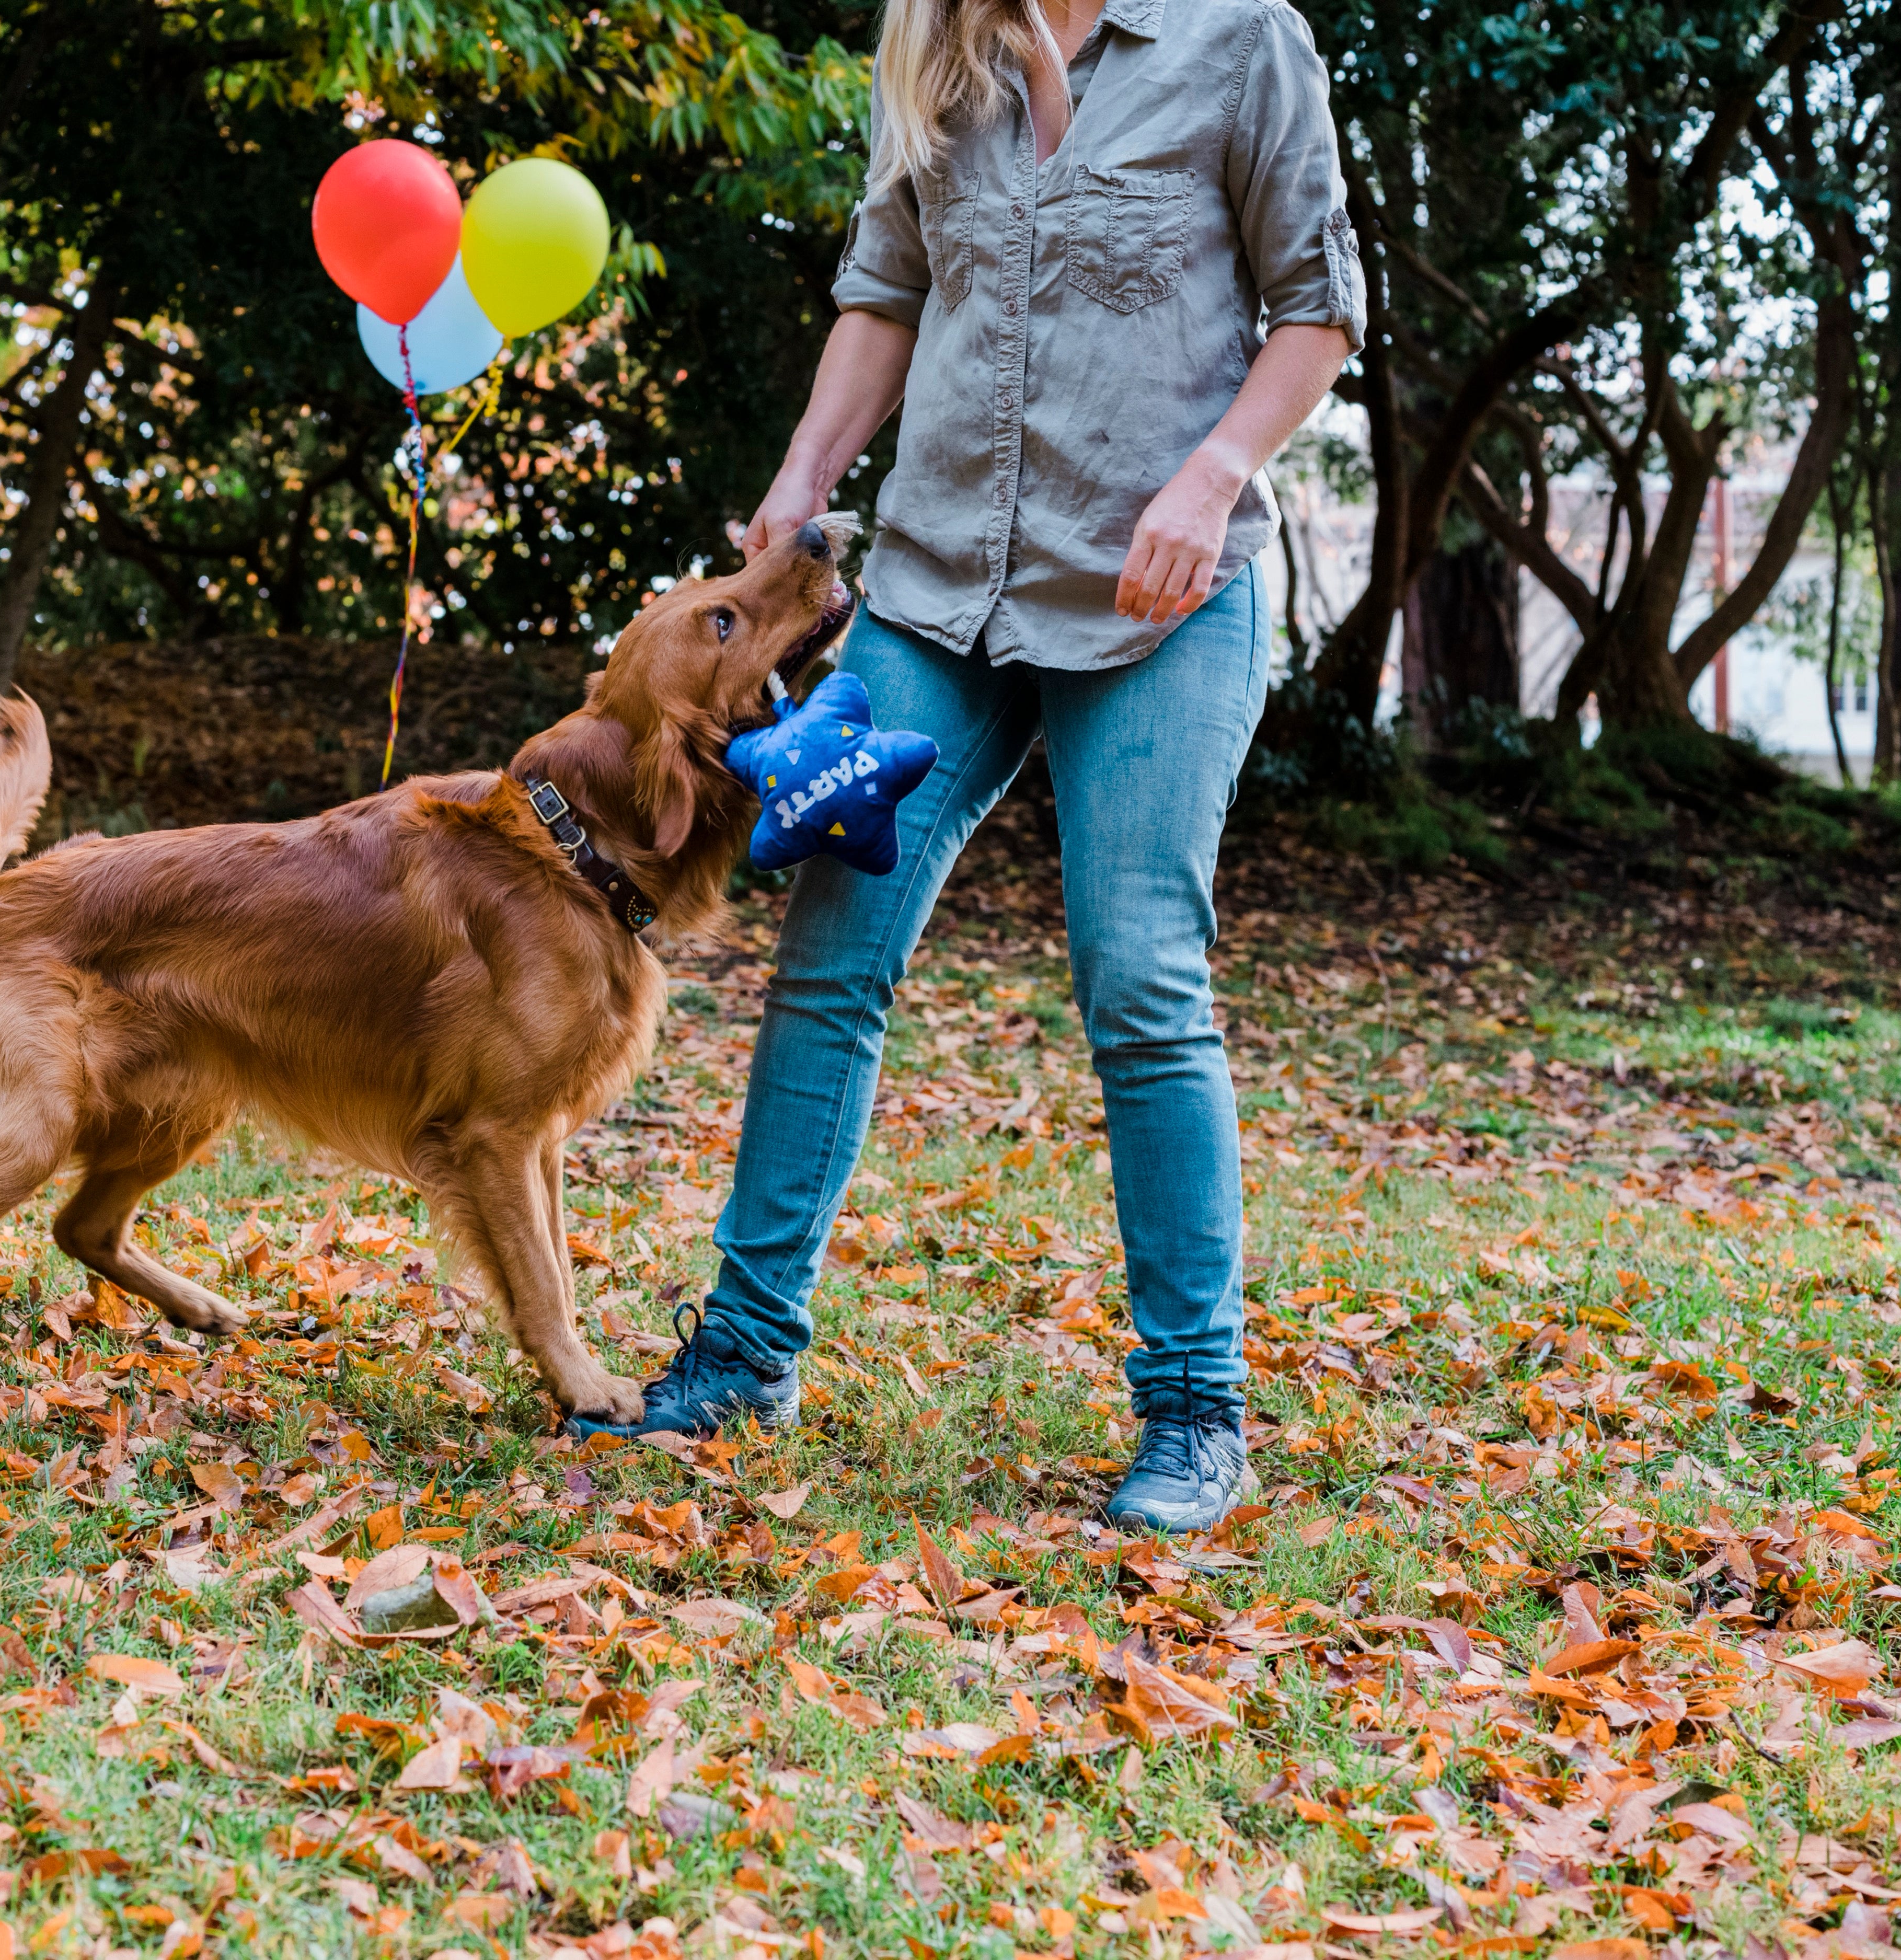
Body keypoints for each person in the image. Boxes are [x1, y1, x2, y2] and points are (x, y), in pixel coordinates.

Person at [577, 0, 1362, 1533]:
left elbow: (1316, 312)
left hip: (1161, 596)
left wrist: (1215, 476)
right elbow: (886, 288)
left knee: (1141, 976)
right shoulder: (939, 45)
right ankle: (743, 1355)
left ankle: (1195, 1412)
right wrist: (807, 475)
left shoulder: (1239, 38)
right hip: (939, 586)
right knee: (829, 958)